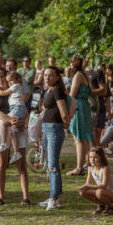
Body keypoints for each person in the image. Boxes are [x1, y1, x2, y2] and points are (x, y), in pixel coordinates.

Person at [0, 68, 30, 205]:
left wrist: (22, 122)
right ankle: (1, 196)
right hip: (4, 126)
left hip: (18, 126)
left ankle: (26, 196)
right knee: (2, 163)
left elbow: (24, 108)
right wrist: (10, 120)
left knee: (21, 164)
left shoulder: (15, 88)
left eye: (2, 76)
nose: (0, 80)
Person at [38, 66, 69, 211]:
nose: (47, 78)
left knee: (52, 165)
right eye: (45, 75)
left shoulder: (57, 90)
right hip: (47, 128)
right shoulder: (49, 90)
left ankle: (53, 198)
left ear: (57, 77)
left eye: (50, 75)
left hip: (54, 129)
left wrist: (65, 122)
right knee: (52, 164)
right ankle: (56, 196)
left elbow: (63, 110)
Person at [66, 55, 94, 176]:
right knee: (84, 138)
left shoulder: (78, 75)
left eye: (72, 62)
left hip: (78, 106)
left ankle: (79, 167)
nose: (70, 65)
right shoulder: (86, 74)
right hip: (85, 105)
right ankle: (88, 165)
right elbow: (90, 91)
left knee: (79, 138)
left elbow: (72, 94)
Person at [0, 71, 26, 164]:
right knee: (12, 131)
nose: (9, 82)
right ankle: (16, 152)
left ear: (17, 79)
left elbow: (3, 93)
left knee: (3, 123)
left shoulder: (16, 86)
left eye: (11, 80)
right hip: (17, 109)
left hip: (17, 109)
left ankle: (3, 144)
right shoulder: (16, 87)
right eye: (8, 81)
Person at [79, 147, 113, 215]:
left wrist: (87, 186)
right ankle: (101, 205)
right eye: (91, 157)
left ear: (101, 157)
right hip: (100, 191)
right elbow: (88, 183)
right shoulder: (90, 168)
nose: (92, 159)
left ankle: (110, 207)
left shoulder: (105, 168)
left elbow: (104, 185)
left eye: (95, 157)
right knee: (82, 192)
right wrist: (84, 187)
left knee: (99, 192)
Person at [86, 58, 109, 146]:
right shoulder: (82, 73)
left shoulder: (98, 72)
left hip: (99, 107)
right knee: (89, 133)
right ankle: (90, 156)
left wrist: (90, 92)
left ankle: (97, 153)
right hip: (86, 107)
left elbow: (105, 93)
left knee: (97, 132)